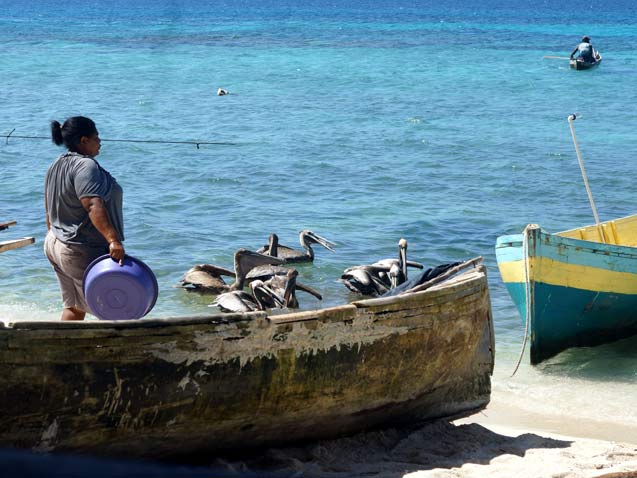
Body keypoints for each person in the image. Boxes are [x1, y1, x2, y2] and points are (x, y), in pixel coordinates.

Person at [44, 116, 125, 321]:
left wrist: (53, 234)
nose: (100, 141)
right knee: (111, 306)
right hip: (79, 248)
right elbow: (91, 205)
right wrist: (113, 240)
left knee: (75, 307)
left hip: (55, 242)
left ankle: (64, 349)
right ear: (83, 140)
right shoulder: (86, 166)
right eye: (96, 137)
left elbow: (49, 207)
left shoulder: (56, 165)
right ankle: (112, 351)